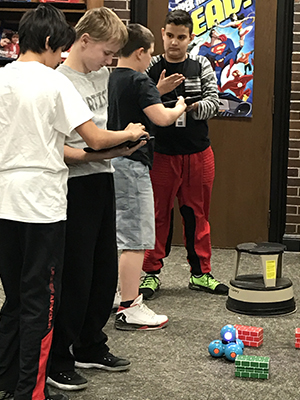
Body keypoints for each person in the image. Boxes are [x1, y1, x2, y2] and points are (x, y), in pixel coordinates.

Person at [0, 5, 147, 400]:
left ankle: (10, 383)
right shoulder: (54, 82)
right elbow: (95, 140)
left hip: (5, 203)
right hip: (42, 206)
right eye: (58, 49)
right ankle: (31, 392)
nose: (59, 57)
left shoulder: (1, 79)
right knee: (41, 304)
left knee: (14, 299)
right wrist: (129, 132)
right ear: (50, 43)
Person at [47, 7, 142, 392]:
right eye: (106, 52)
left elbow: (104, 136)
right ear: (83, 41)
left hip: (103, 178)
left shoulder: (101, 73)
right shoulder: (57, 81)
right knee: (76, 276)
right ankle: (58, 358)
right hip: (74, 185)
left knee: (103, 273)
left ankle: (90, 343)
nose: (110, 61)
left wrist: (117, 149)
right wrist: (116, 142)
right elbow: (57, 148)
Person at [139, 10, 229, 300]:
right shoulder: (151, 65)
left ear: (190, 38)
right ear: (162, 34)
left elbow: (214, 103)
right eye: (169, 36)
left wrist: (187, 107)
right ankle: (151, 274)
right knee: (158, 216)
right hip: (161, 154)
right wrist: (159, 90)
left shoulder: (200, 63)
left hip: (198, 153)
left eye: (181, 37)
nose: (174, 42)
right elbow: (137, 103)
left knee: (197, 215)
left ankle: (201, 274)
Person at [108, 23, 187, 331]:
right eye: (151, 53)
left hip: (113, 164)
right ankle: (130, 307)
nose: (152, 59)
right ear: (140, 52)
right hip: (133, 165)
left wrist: (158, 90)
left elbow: (135, 103)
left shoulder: (112, 77)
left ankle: (119, 294)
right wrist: (178, 106)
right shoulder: (140, 80)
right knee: (136, 237)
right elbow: (160, 118)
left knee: (121, 234)